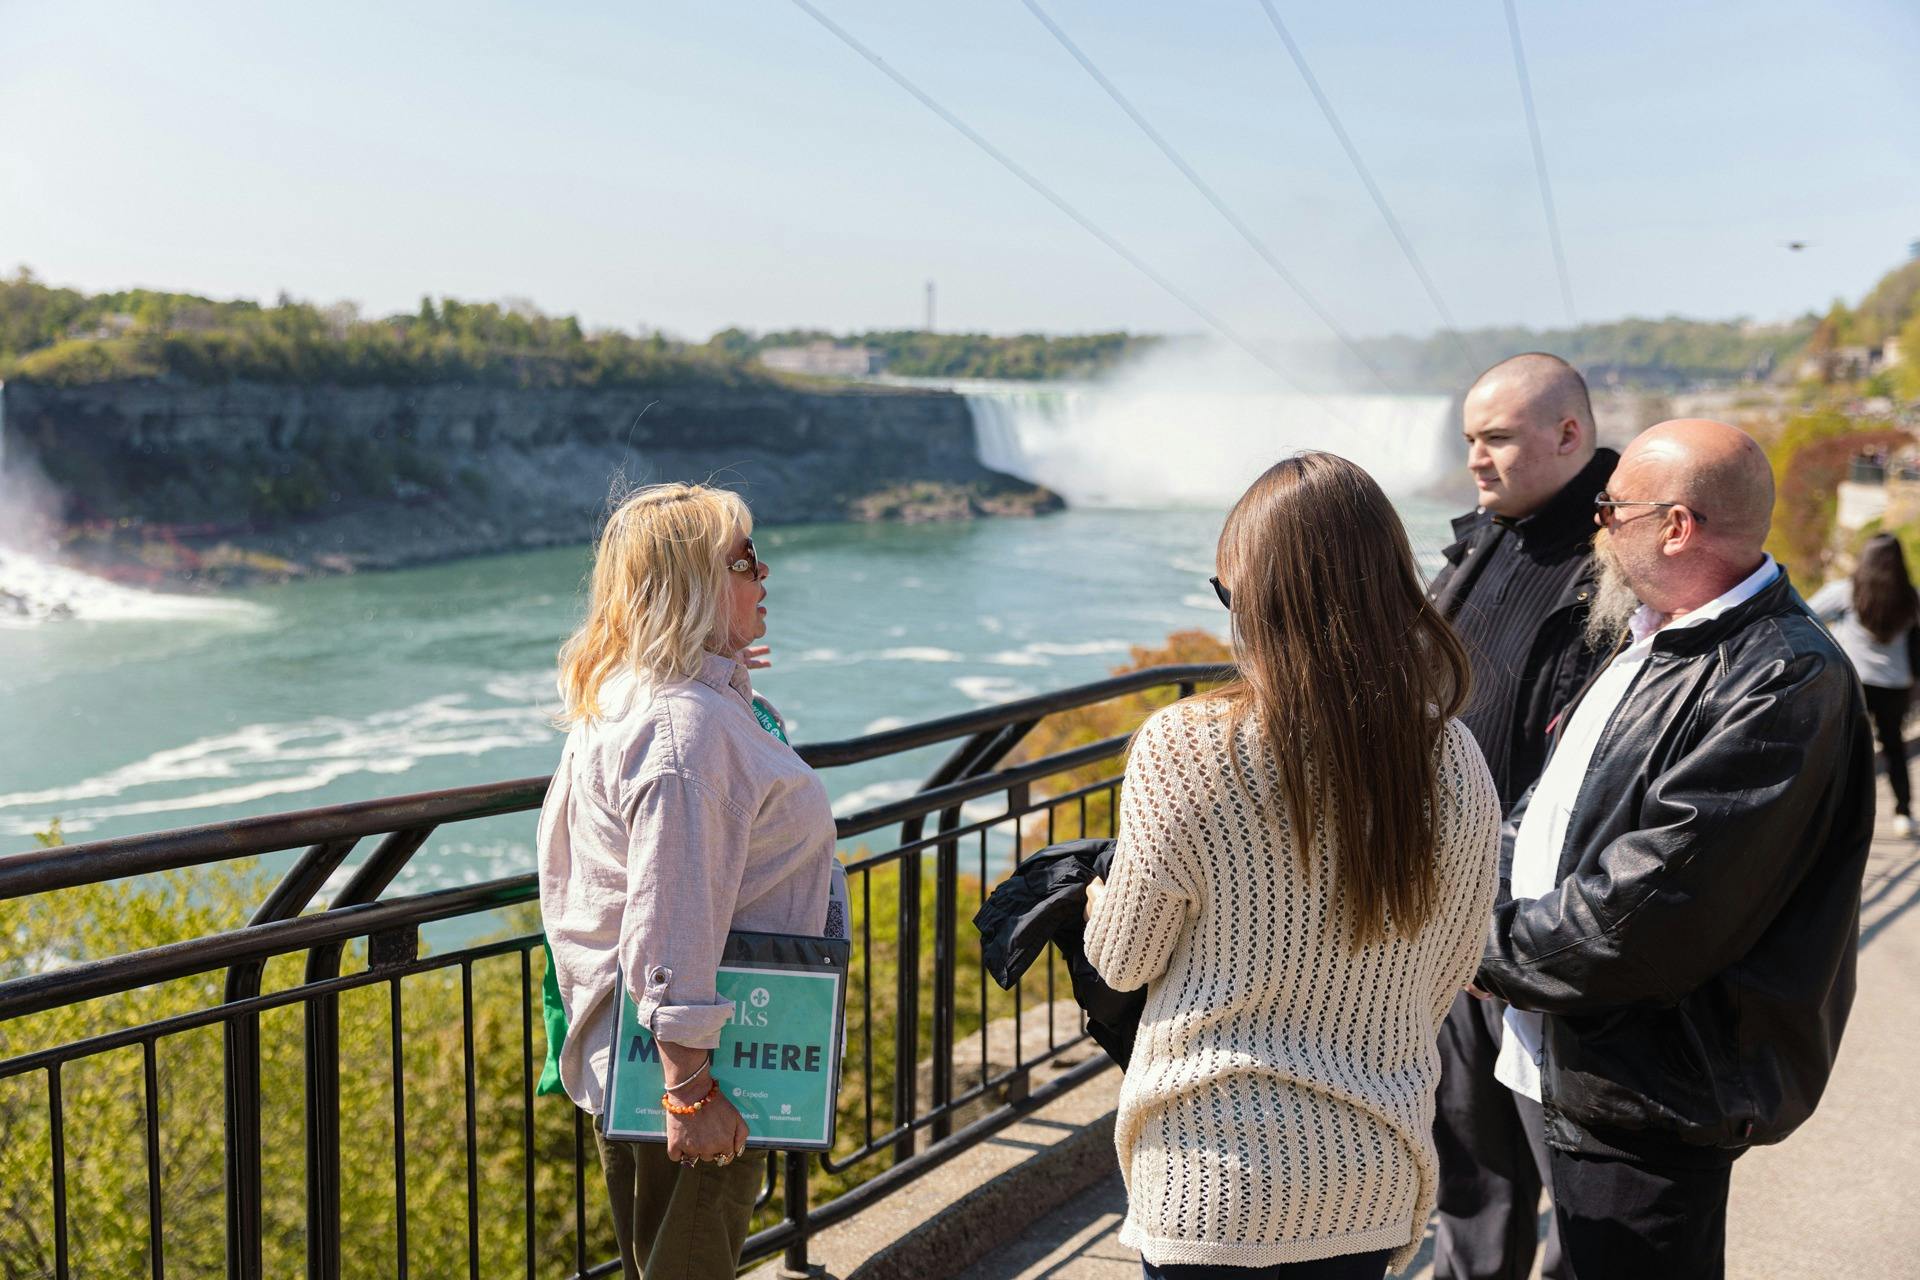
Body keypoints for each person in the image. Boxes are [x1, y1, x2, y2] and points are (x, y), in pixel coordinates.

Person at [1084, 452, 1502, 1279]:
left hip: (1209, 1177)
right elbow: (1452, 966)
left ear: (1261, 602)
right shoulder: (1453, 757)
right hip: (1369, 1174)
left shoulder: (1187, 745)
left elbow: (1123, 962)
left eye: (1229, 596)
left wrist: (1102, 905)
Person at [1475, 420, 1875, 1279]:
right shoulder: (1660, 636)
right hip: (1578, 1055)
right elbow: (1551, 812)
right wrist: (1480, 902)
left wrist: (1477, 948)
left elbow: (1651, 912)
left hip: (1652, 1087)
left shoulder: (1779, 678)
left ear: (1676, 526)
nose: (1598, 527)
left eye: (1611, 508)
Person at [535, 483, 837, 1280]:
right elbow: (671, 913)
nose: (764, 573)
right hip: (702, 1062)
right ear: (693, 583)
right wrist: (691, 1092)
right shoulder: (684, 731)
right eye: (744, 560)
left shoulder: (640, 696)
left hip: (660, 1055)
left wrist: (725, 671)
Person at [1427, 353, 1617, 1280]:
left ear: (1568, 435)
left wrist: (1506, 921)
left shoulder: (1619, 558)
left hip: (1539, 934)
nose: (1476, 458)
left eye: (1496, 438)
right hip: (1452, 918)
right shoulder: (1486, 539)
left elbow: (1602, 768)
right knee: (1471, 1178)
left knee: (1577, 1192)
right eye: (1471, 439)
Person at [1809, 532, 1919, 836]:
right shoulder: (1911, 597)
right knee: (1894, 745)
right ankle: (1903, 812)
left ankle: (1836, 816)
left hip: (1853, 681)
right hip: (1896, 684)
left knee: (1844, 747)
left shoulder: (1846, 592)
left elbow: (1803, 614)